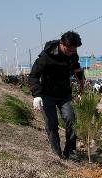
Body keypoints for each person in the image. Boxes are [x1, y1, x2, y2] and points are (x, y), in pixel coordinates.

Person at [28, 31, 84, 160]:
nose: (71, 52)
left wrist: (82, 86)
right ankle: (56, 153)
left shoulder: (73, 54)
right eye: (69, 50)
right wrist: (36, 95)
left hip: (65, 94)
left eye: (73, 50)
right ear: (61, 44)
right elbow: (33, 76)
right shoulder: (46, 56)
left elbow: (77, 68)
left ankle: (70, 151)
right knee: (52, 124)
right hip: (47, 95)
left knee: (71, 120)